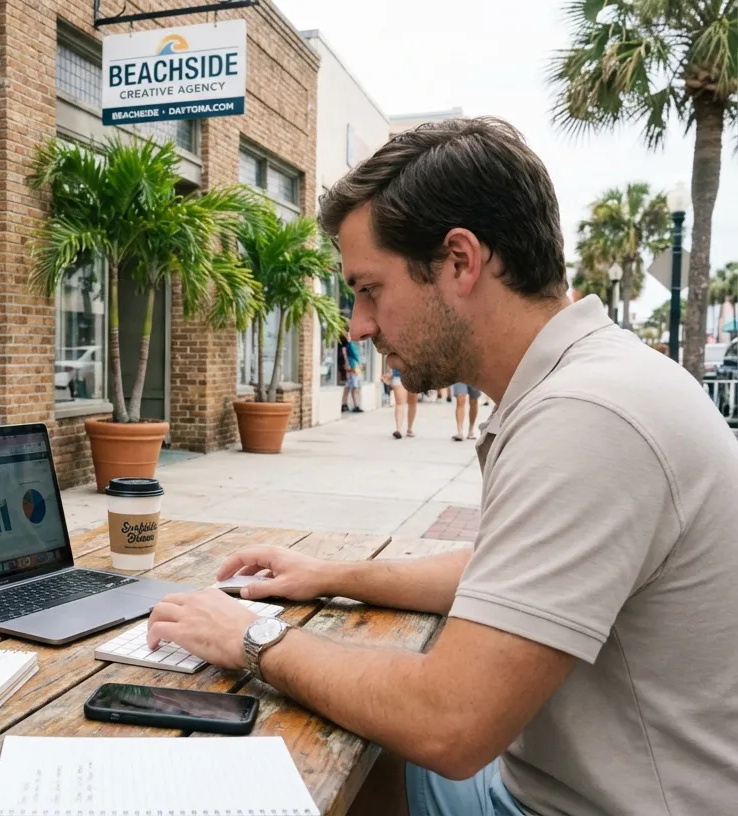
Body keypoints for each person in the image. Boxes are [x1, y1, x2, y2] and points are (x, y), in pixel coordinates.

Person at [145, 117, 738, 816]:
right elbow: (507, 574)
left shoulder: (589, 415)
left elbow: (449, 724)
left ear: (460, 261)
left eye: (369, 289)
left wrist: (250, 637)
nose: (357, 325)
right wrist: (331, 576)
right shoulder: (592, 381)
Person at [385, 358, 416, 438]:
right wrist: (389, 372)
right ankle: (398, 429)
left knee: (412, 403)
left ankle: (409, 428)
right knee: (399, 403)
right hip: (399, 376)